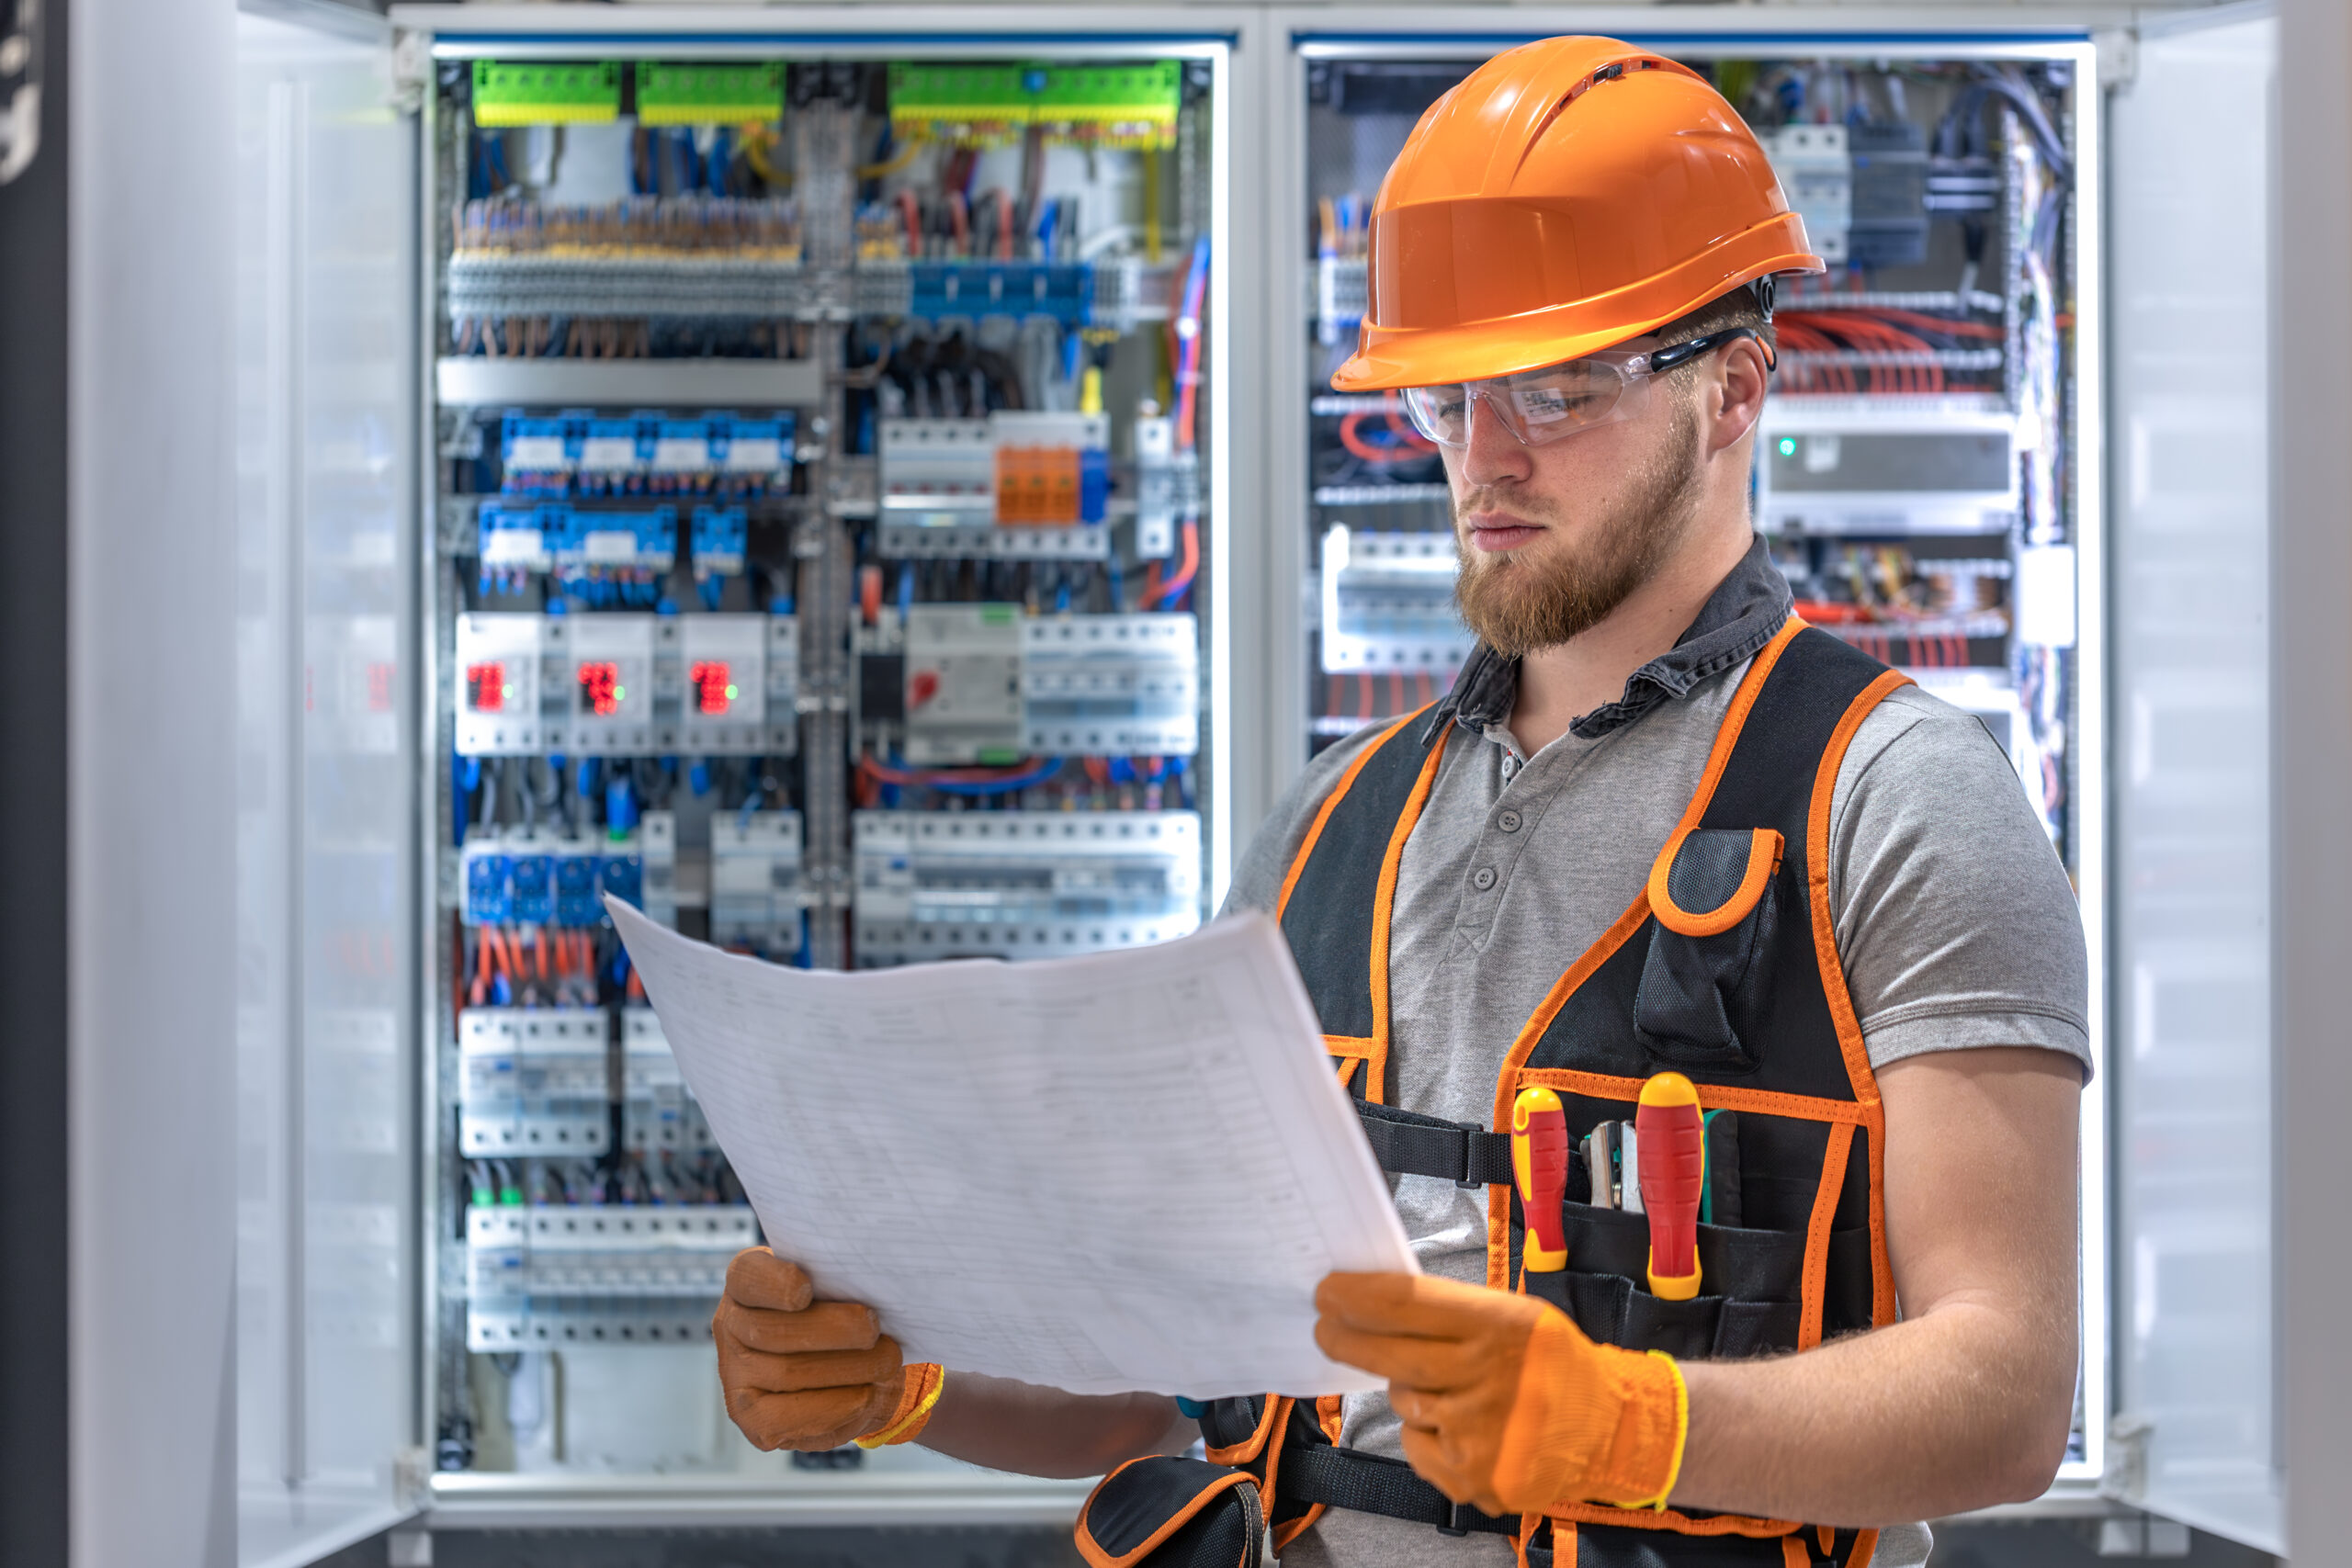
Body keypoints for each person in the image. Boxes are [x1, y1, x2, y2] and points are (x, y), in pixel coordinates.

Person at [710, 36, 2087, 1568]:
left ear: (1734, 391)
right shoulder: (1325, 829)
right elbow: (1165, 1397)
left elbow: (2010, 1392)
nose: (1482, 460)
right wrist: (902, 1383)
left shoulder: (1892, 801)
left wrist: (1642, 1424)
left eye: (1557, 391)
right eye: (1446, 397)